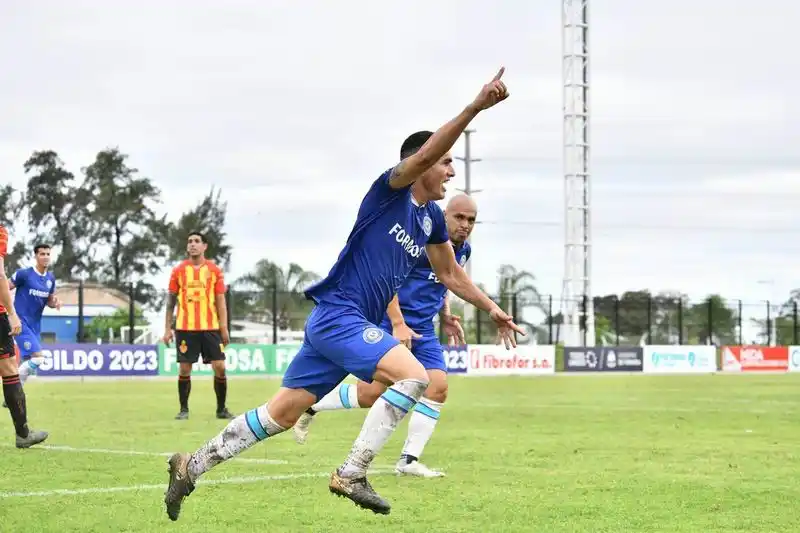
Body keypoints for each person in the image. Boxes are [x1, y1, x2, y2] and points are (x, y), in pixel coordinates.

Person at [163, 67, 520, 521]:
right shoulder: (389, 192)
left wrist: (492, 308)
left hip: (343, 325)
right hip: (341, 316)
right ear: (423, 162)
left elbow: (450, 274)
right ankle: (352, 472)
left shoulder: (429, 219)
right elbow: (431, 148)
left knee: (282, 414)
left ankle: (189, 467)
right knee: (415, 378)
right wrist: (474, 107)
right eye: (447, 162)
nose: (451, 171)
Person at [292, 194, 479, 478]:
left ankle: (408, 461)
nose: (465, 225)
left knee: (438, 387)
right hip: (390, 321)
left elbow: (445, 281)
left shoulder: (463, 251)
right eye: (459, 217)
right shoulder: (420, 243)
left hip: (424, 329)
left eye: (471, 220)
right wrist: (397, 322)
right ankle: (312, 404)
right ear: (444, 215)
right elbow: (388, 279)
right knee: (370, 394)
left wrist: (445, 316)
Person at [161, 231, 232, 420]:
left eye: (197, 241)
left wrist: (223, 328)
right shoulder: (178, 271)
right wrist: (167, 328)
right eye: (190, 241)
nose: (192, 244)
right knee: (184, 368)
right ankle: (183, 410)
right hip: (185, 328)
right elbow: (170, 302)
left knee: (220, 367)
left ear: (204, 246)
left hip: (211, 328)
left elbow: (220, 301)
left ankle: (221, 409)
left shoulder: (214, 271)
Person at [0, 225, 48, 448]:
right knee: (9, 369)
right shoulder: (0, 231)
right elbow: (1, 275)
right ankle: (23, 434)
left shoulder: (50, 279)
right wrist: (12, 313)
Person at [7, 244, 60, 389]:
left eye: (48, 254)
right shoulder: (24, 274)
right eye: (42, 254)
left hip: (35, 326)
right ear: (36, 256)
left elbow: (49, 301)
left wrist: (54, 302)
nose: (45, 257)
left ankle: (14, 395)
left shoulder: (50, 279)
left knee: (31, 362)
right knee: (38, 358)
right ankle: (13, 389)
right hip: (20, 322)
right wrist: (9, 312)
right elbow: (4, 288)